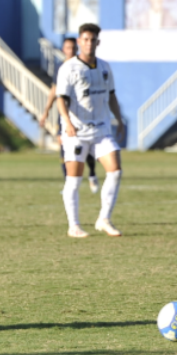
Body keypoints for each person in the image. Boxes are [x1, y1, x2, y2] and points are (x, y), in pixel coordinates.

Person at [56, 23, 125, 238]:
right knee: (74, 180)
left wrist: (119, 118)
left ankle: (104, 219)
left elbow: (111, 95)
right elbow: (61, 99)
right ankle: (73, 225)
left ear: (98, 42)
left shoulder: (104, 67)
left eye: (92, 39)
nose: (89, 43)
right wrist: (67, 122)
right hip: (76, 131)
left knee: (115, 170)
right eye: (85, 39)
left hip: (101, 129)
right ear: (79, 42)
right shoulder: (69, 68)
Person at [41, 37, 99, 193]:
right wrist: (46, 110)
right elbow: (55, 90)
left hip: (84, 116)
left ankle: (92, 174)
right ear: (63, 50)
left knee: (86, 146)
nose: (71, 51)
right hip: (66, 116)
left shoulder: (84, 68)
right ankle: (69, 183)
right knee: (65, 147)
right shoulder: (61, 69)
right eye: (68, 48)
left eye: (74, 48)